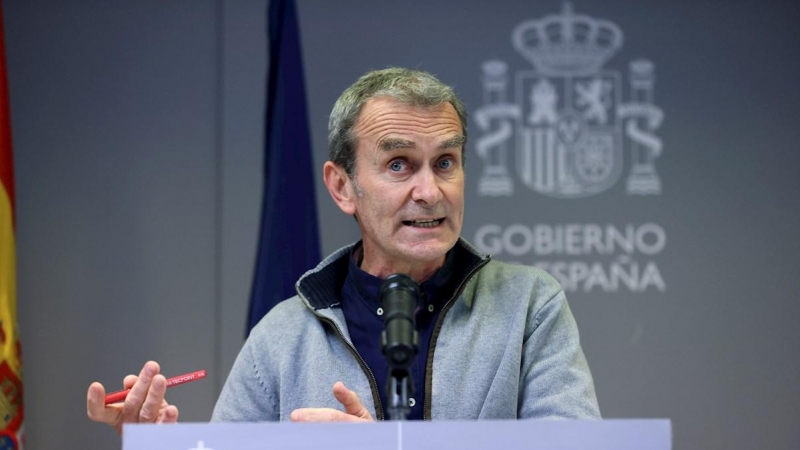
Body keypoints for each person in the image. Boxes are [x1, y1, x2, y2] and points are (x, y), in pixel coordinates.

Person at [87, 68, 600, 431]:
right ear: (341, 187)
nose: (430, 190)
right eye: (399, 164)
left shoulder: (530, 306)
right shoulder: (281, 338)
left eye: (445, 162)